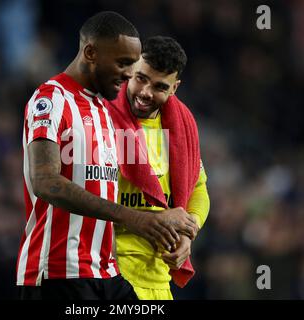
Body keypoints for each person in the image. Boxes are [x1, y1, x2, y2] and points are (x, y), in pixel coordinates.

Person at [16, 12, 198, 300]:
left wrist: (176, 223)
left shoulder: (103, 110)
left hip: (105, 272)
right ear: (90, 52)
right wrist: (135, 219)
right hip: (58, 273)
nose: (128, 74)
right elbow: (44, 181)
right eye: (123, 63)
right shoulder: (51, 100)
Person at [105, 36, 210, 300]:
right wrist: (148, 220)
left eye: (160, 86)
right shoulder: (99, 117)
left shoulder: (182, 125)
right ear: (129, 70)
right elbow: (80, 197)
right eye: (141, 78)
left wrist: (188, 231)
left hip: (159, 281)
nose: (146, 93)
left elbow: (198, 188)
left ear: (174, 88)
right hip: (108, 273)